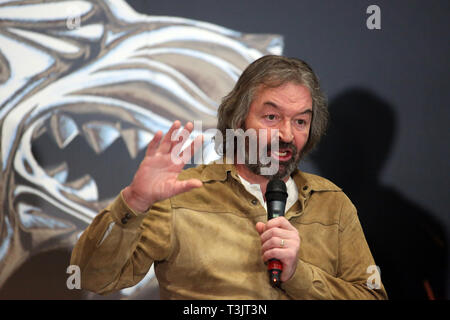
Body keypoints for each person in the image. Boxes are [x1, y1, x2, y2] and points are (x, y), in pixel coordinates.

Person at [70, 55, 388, 299]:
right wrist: (135, 201)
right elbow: (92, 278)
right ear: (238, 121)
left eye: (301, 122)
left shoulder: (333, 203)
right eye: (272, 117)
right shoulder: (181, 195)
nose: (287, 135)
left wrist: (298, 275)